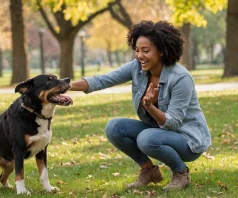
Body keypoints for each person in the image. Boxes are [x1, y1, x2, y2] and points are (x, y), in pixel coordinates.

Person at [70, 20, 211, 190]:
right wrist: (64, 86)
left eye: (146, 50)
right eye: (137, 50)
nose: (139, 55)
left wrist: (150, 106)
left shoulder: (181, 78)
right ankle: (149, 171)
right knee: (114, 128)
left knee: (146, 139)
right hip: (157, 132)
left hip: (187, 140)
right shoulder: (136, 68)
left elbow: (173, 123)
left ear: (161, 51)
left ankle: (181, 173)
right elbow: (102, 80)